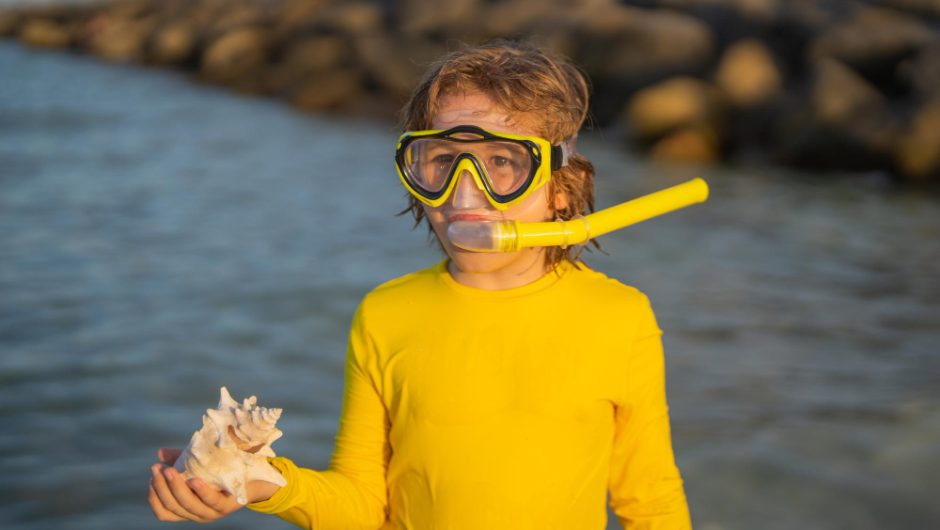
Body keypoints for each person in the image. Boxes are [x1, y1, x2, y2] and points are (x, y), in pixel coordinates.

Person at [149, 40, 691, 529]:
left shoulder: (618, 317)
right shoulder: (387, 314)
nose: (465, 193)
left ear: (561, 192)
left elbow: (652, 502)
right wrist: (257, 481)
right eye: (443, 162)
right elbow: (362, 504)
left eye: (502, 161)